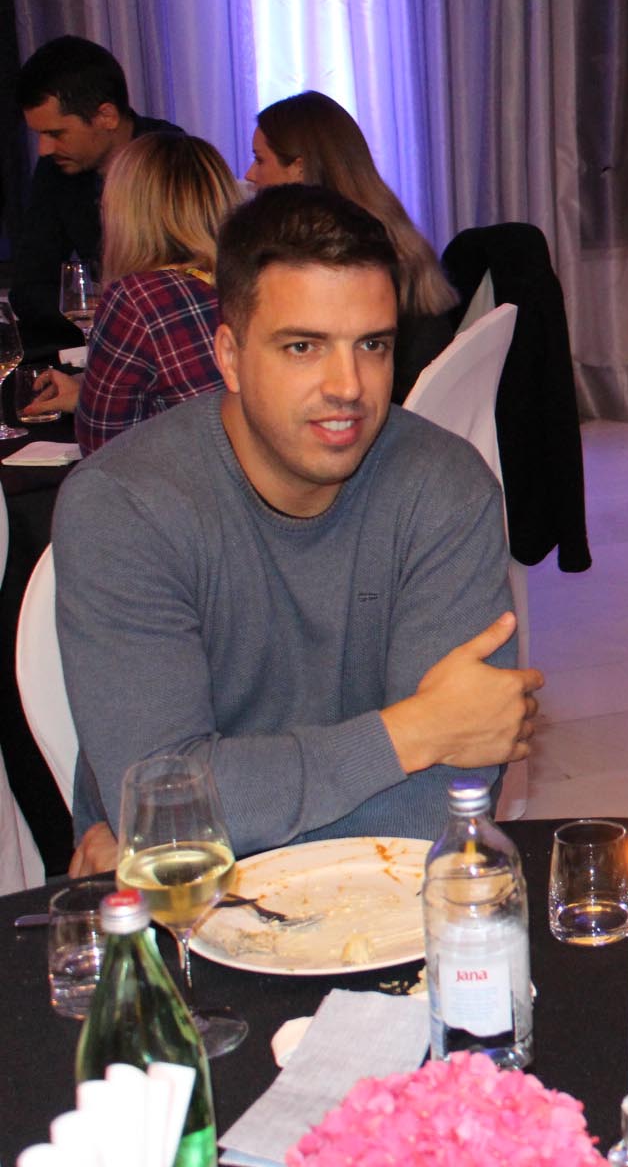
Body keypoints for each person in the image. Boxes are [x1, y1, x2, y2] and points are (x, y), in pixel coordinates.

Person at [56, 185, 545, 875]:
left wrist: (204, 835)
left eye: (372, 344)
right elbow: (159, 808)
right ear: (229, 356)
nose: (348, 385)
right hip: (183, 924)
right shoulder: (123, 506)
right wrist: (411, 733)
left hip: (372, 904)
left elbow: (437, 815)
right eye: (303, 347)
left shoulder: (445, 490)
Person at [23, 133, 241, 453]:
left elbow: (103, 448)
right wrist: (86, 391)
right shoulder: (249, 282)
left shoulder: (139, 298)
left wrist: (90, 401)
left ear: (124, 213)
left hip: (190, 481)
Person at [246, 91, 459, 399]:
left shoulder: (341, 252)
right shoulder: (386, 223)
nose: (250, 175)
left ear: (299, 168)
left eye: (259, 159)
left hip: (380, 406)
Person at [10, 36, 182, 350]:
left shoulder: (170, 157)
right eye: (40, 135)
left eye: (55, 133)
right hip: (95, 340)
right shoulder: (57, 168)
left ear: (106, 117)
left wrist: (101, 307)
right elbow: (29, 287)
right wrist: (98, 310)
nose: (44, 149)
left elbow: (184, 282)